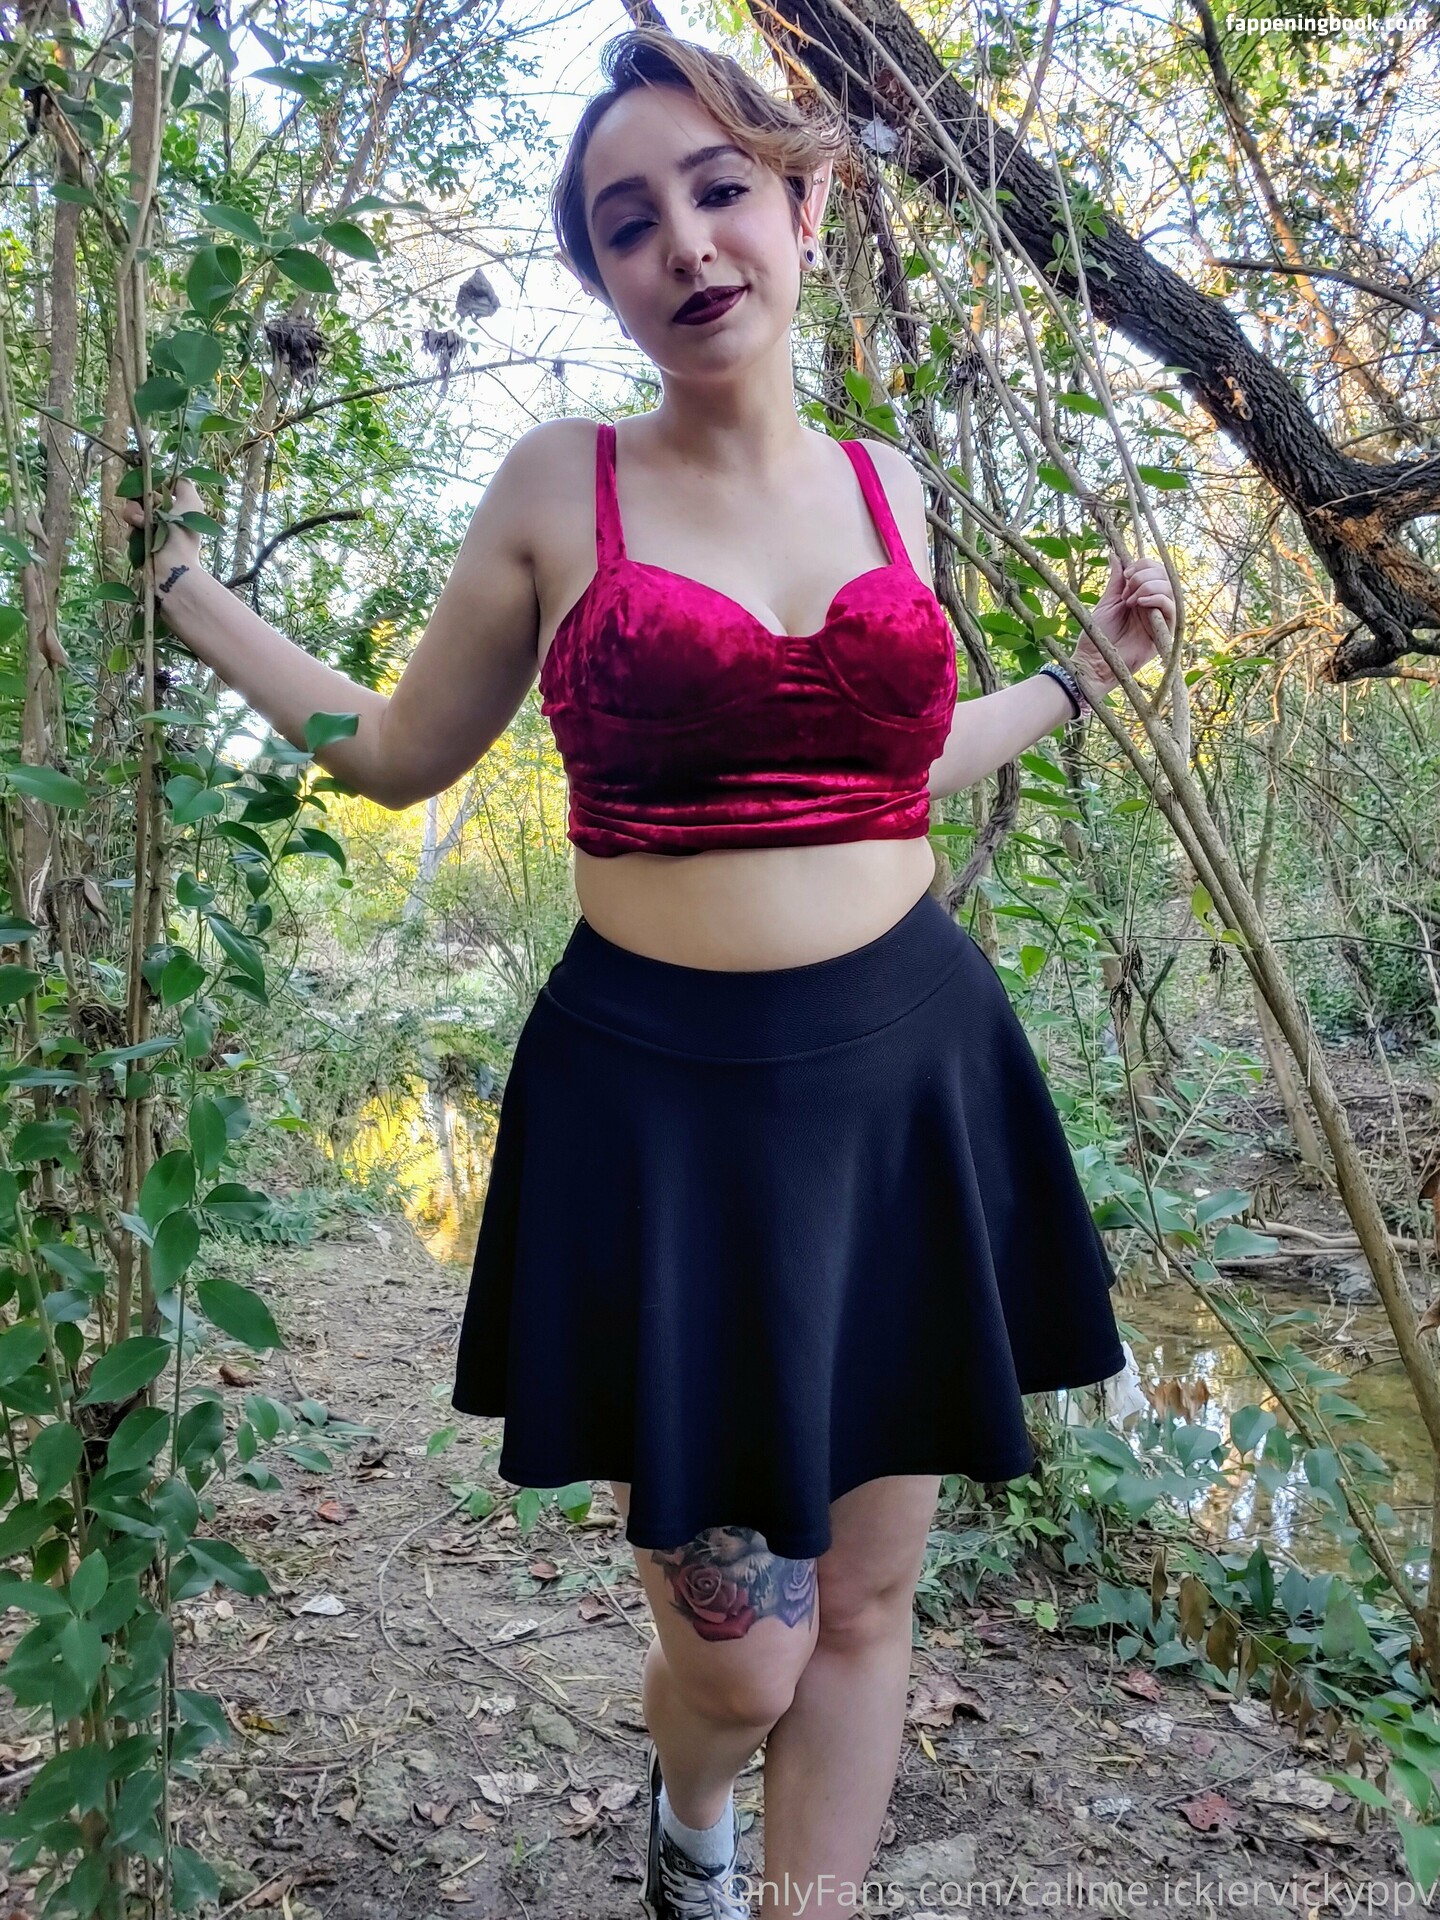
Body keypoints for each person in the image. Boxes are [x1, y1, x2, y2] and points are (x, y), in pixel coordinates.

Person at [121, 28, 1173, 1919]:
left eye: (718, 189)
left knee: (869, 1606)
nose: (683, 243)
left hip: (907, 1075)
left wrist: (1081, 677)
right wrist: (193, 598)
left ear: (804, 205)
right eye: (627, 222)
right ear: (602, 274)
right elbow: (397, 754)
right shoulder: (561, 485)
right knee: (741, 1657)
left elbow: (880, 767)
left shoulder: (889, 482)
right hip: (669, 1105)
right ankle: (693, 1815)